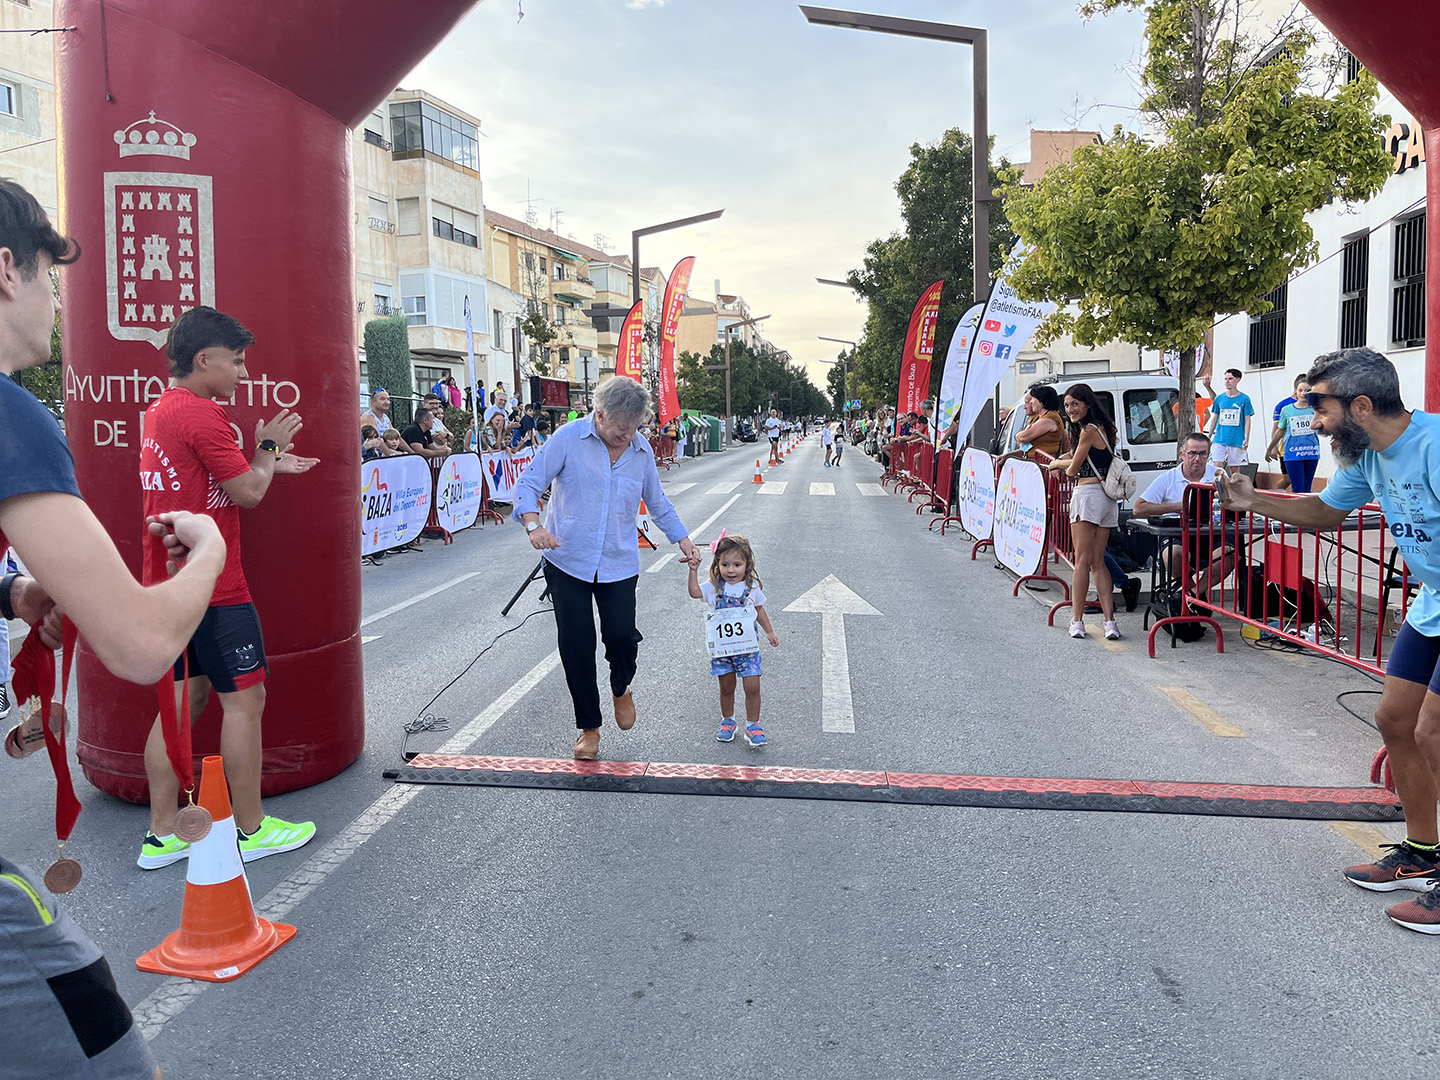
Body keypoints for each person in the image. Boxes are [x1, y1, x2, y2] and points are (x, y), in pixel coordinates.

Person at [1, 178, 231, 1080]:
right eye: (52, 279)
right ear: (7, 271)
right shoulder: (11, 414)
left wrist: (15, 593)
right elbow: (139, 645)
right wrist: (207, 552)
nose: (59, 306)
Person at [1219, 347, 1440, 934]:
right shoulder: (1368, 455)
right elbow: (1324, 511)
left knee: (1432, 731)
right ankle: (1424, 852)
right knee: (1396, 721)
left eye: (1318, 406)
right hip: (1433, 605)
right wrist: (1253, 500)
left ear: (1361, 406)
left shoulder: (1435, 446)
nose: (1313, 420)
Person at [137, 306, 320, 871]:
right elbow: (247, 493)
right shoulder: (202, 414)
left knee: (181, 703)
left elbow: (207, 482)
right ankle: (252, 828)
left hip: (168, 585)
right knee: (245, 702)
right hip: (214, 587)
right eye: (236, 362)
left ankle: (161, 834)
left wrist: (266, 465)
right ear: (204, 359)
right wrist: (266, 449)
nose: (243, 373)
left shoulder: (160, 411)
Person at [513, 378, 702, 761]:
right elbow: (528, 484)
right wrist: (534, 526)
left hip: (618, 561)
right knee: (577, 644)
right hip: (567, 560)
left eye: (634, 429)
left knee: (621, 638)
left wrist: (683, 539)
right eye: (620, 429)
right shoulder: (568, 439)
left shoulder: (640, 450)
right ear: (599, 415)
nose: (627, 436)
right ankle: (589, 727)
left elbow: (658, 502)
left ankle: (621, 686)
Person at [1045, 383, 1121, 640]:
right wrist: (1064, 457)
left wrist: (1055, 463)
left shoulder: (1088, 430)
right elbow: (1079, 453)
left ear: (1087, 403)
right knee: (1098, 562)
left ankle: (1077, 620)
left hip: (1087, 495)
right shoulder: (1103, 428)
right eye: (1067, 405)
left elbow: (1073, 468)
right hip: (1107, 498)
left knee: (1081, 562)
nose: (1070, 410)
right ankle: (1110, 622)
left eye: (1075, 404)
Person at [687, 533, 778, 747]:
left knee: (752, 686)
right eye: (725, 564)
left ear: (747, 565)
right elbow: (694, 593)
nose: (731, 570)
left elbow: (759, 610)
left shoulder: (751, 587)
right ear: (717, 564)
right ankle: (728, 721)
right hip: (723, 650)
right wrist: (693, 571)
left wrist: (769, 631)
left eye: (737, 565)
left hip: (748, 649)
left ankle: (753, 725)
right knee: (726, 687)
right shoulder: (714, 587)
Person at [1133, 432, 1237, 596]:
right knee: (1174, 554)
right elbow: (1138, 509)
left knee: (1229, 553)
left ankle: (1194, 595)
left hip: (1213, 532)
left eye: (1202, 453)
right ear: (1182, 454)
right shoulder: (1168, 478)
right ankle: (1194, 594)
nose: (1197, 458)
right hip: (1179, 532)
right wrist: (1177, 507)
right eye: (1192, 453)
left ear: (1208, 455)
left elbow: (1235, 503)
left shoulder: (1218, 475)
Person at [1266, 379, 1320, 493]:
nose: (1303, 393)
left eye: (1307, 391)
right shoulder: (1286, 410)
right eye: (1300, 390)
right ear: (1296, 392)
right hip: (1293, 452)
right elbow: (1280, 430)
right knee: (1298, 487)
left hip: (1311, 452)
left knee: (1307, 487)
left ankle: (1305, 506)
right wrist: (1270, 448)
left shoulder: (1315, 409)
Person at [1206, 367, 1254, 467]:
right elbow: (1215, 417)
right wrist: (1209, 436)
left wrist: (1247, 438)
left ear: (1238, 380)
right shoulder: (1219, 398)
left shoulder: (1244, 399)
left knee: (1234, 470)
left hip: (1236, 440)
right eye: (1225, 379)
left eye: (1230, 379)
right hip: (1220, 439)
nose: (1227, 382)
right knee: (1216, 466)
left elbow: (1247, 419)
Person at [1004, 384, 1065, 462]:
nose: (1031, 402)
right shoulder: (1039, 417)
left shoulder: (1050, 419)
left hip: (1044, 465)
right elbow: (1026, 446)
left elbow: (1023, 437)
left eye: (1032, 399)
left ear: (1041, 401)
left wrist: (1017, 436)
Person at [1268, 372, 1306, 490]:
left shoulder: (1309, 405)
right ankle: (1275, 495)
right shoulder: (1283, 405)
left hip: (1305, 447)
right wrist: (1273, 447)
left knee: (1303, 478)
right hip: (1286, 447)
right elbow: (1277, 427)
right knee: (1288, 478)